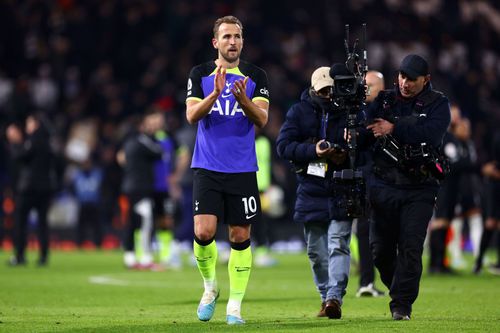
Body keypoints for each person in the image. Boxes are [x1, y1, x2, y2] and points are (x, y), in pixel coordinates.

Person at [185, 15, 269, 325]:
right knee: (203, 232)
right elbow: (192, 115)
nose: (232, 41)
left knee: (239, 235)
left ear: (242, 41)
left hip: (242, 169)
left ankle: (235, 306)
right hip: (207, 166)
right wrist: (214, 95)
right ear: (215, 42)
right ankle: (210, 288)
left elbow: (261, 120)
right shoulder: (200, 73)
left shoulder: (255, 75)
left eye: (237, 36)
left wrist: (243, 99)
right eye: (226, 37)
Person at [363, 54, 450, 320]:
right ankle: (399, 289)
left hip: (419, 188)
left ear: (426, 80)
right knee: (380, 251)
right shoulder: (385, 100)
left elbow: (431, 134)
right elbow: (366, 125)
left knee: (411, 247)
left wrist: (394, 127)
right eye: (402, 76)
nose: (405, 83)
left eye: (411, 79)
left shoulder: (438, 104)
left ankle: (401, 305)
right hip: (383, 185)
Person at [277, 65, 356, 319]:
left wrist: (346, 152)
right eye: (323, 91)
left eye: (332, 90)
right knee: (315, 252)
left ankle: (334, 297)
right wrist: (314, 152)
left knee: (338, 244)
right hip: (311, 188)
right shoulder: (299, 112)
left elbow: (363, 142)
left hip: (341, 186)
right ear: (313, 89)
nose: (328, 95)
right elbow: (283, 146)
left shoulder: (348, 111)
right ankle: (325, 297)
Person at [6, 114, 58, 266]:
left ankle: (20, 256)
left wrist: (15, 142)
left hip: (29, 188)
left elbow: (19, 157)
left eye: (29, 123)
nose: (27, 126)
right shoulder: (50, 142)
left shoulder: (33, 141)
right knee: (43, 224)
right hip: (46, 188)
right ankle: (43, 256)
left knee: (20, 222)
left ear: (36, 124)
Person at [117, 111, 164, 269]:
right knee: (146, 221)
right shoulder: (143, 141)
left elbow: (121, 158)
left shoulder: (128, 143)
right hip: (140, 188)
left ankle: (129, 256)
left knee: (130, 222)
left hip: (128, 186)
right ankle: (145, 257)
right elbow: (158, 152)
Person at [355, 70, 385, 297]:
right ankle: (366, 282)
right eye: (363, 85)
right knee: (364, 229)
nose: (365, 89)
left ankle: (395, 281)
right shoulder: (355, 112)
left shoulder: (391, 113)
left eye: (371, 85)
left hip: (390, 180)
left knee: (390, 231)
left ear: (382, 89)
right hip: (364, 178)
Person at [474, 130, 500, 274]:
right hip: (494, 187)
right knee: (490, 223)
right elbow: (486, 163)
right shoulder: (495, 135)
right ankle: (478, 263)